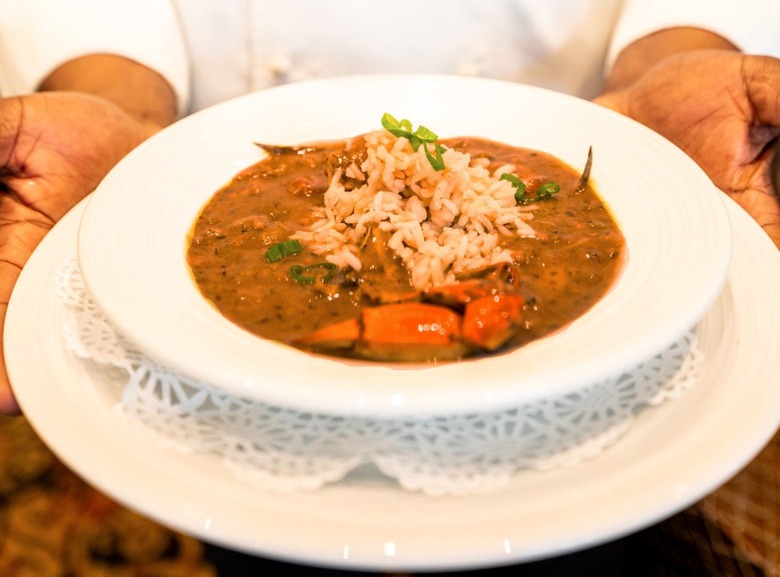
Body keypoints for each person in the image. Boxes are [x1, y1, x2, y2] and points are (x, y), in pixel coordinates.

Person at [0, 2, 778, 413]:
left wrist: (678, 48)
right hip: (207, 133)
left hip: (578, 102)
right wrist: (110, 101)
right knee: (264, 504)